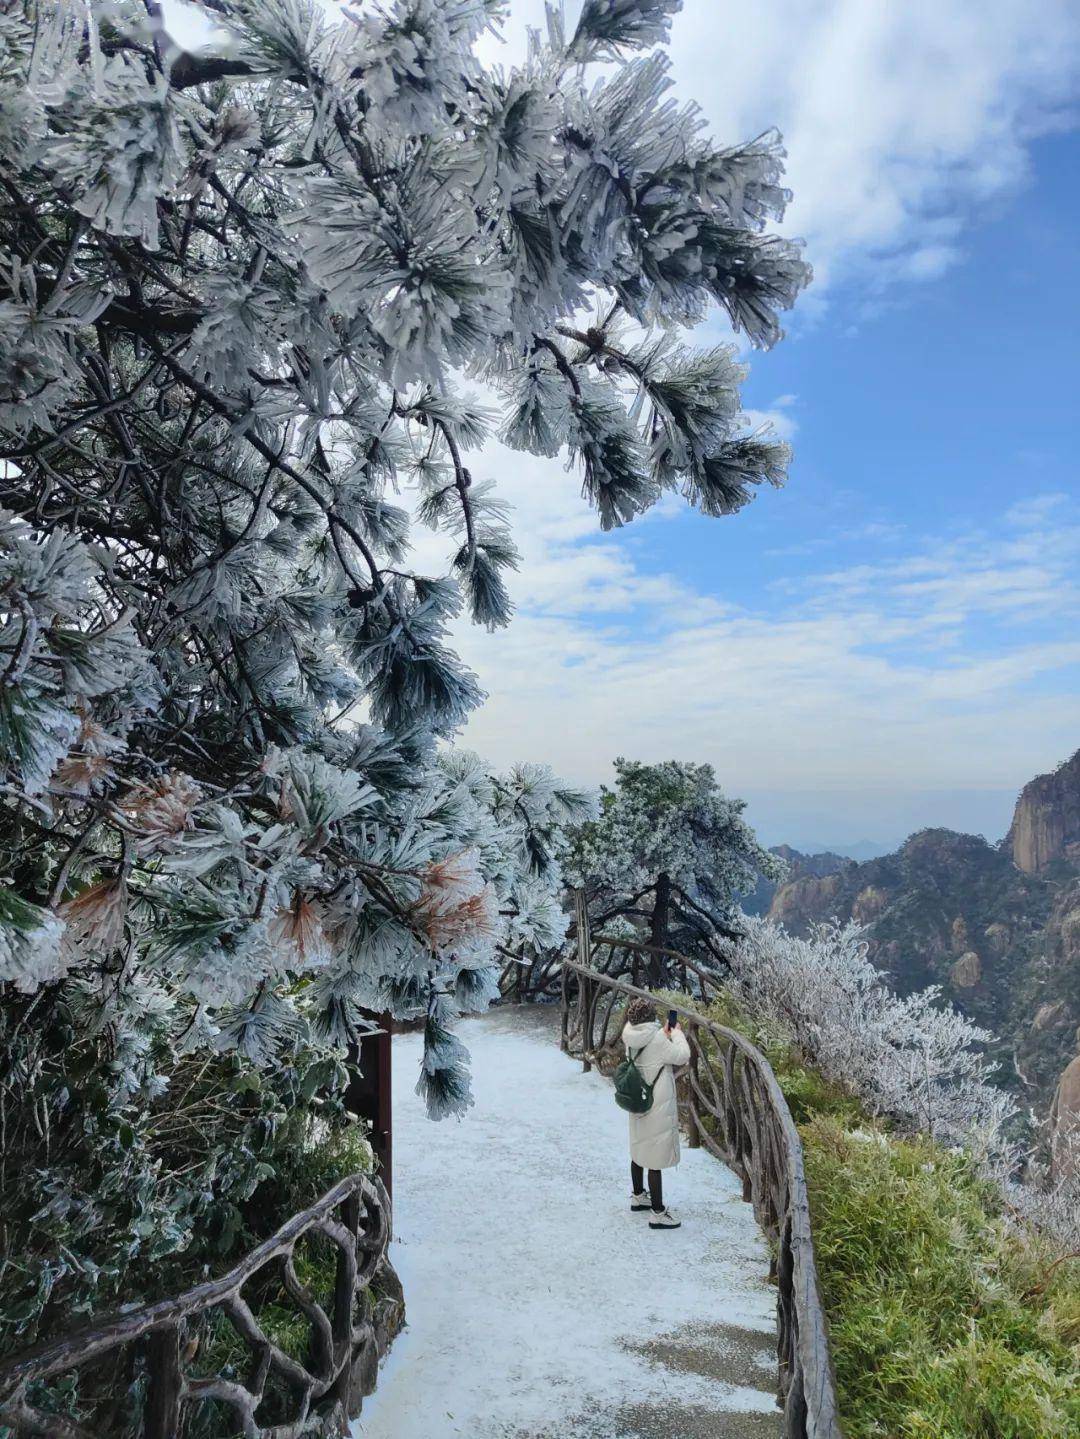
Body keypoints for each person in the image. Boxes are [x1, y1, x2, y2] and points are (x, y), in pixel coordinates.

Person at [622, 996, 691, 1229]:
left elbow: (651, 1046)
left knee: (639, 1146)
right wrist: (677, 1033)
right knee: (655, 1157)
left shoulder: (630, 1034)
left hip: (638, 1097)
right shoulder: (659, 1038)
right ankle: (658, 1212)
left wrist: (664, 1035)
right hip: (657, 1101)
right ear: (651, 1017)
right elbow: (682, 1056)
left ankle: (639, 1196)